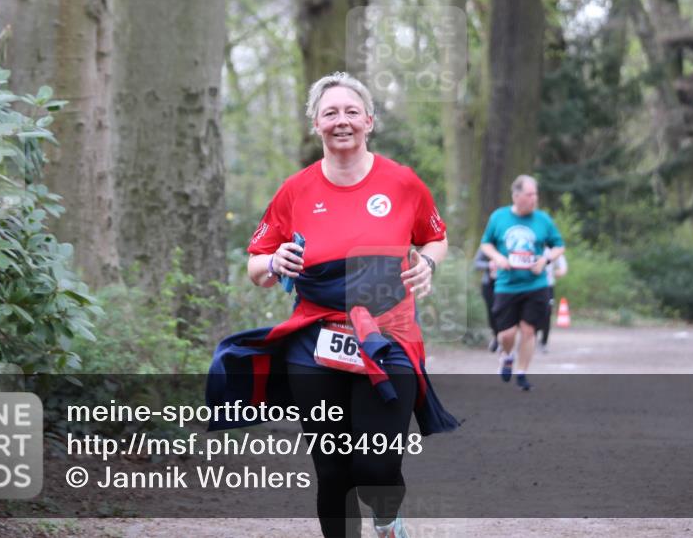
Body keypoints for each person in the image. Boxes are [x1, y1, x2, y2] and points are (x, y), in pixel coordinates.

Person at [206, 72, 457, 538]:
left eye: (351, 112)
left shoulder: (402, 183)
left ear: (369, 121)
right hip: (315, 342)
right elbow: (256, 265)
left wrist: (427, 262)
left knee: (376, 465)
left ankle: (387, 518)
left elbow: (436, 237)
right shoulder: (296, 190)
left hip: (388, 336)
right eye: (330, 113)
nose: (341, 121)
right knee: (334, 471)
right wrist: (274, 261)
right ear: (316, 126)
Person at [480, 175, 565, 391]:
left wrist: (545, 260)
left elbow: (559, 246)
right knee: (506, 334)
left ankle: (522, 373)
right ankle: (507, 355)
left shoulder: (543, 220)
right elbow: (486, 244)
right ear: (516, 196)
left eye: (536, 194)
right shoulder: (499, 217)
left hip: (536, 285)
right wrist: (497, 258)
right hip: (506, 285)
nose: (534, 198)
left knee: (529, 331)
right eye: (529, 194)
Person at [538, 251, 568, 352]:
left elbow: (563, 269)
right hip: (531, 287)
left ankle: (544, 341)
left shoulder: (553, 251)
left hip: (548, 286)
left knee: (547, 313)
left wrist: (554, 272)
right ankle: (531, 337)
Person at [473, 248, 499, 351]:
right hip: (489, 284)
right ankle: (497, 337)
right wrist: (489, 265)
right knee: (492, 311)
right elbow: (476, 263)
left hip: (507, 284)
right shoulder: (486, 245)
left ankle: (504, 338)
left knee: (503, 311)